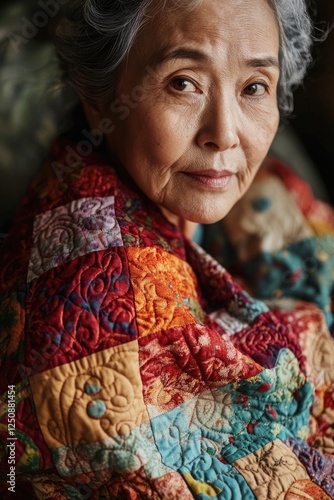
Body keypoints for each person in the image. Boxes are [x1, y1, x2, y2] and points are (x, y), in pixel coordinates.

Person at [0, 0, 334, 498]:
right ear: (100, 96)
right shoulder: (93, 272)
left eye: (254, 87)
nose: (224, 134)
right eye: (183, 82)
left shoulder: (264, 190)